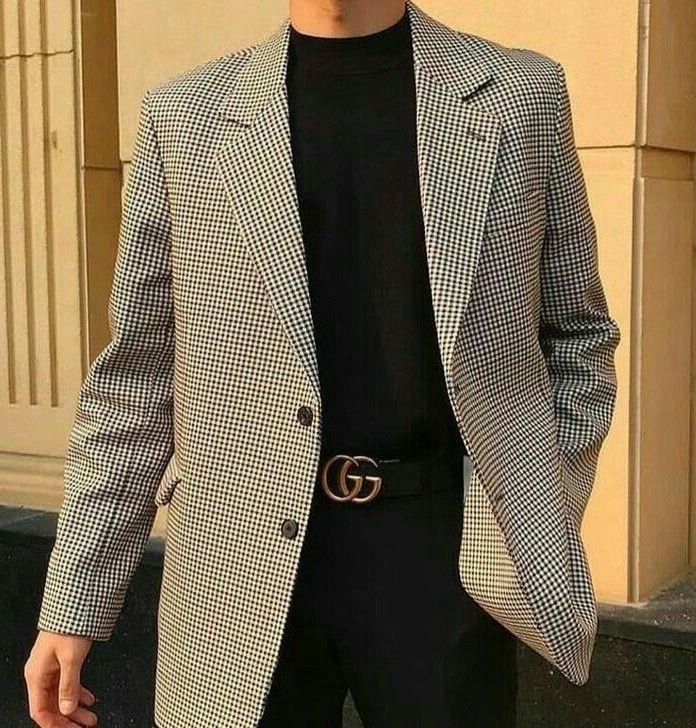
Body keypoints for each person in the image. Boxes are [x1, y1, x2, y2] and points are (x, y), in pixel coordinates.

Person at [23, 0, 620, 726]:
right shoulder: (183, 118)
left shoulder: (520, 96)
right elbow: (136, 383)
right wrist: (74, 599)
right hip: (234, 560)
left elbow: (579, 336)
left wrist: (536, 511)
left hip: (442, 559)